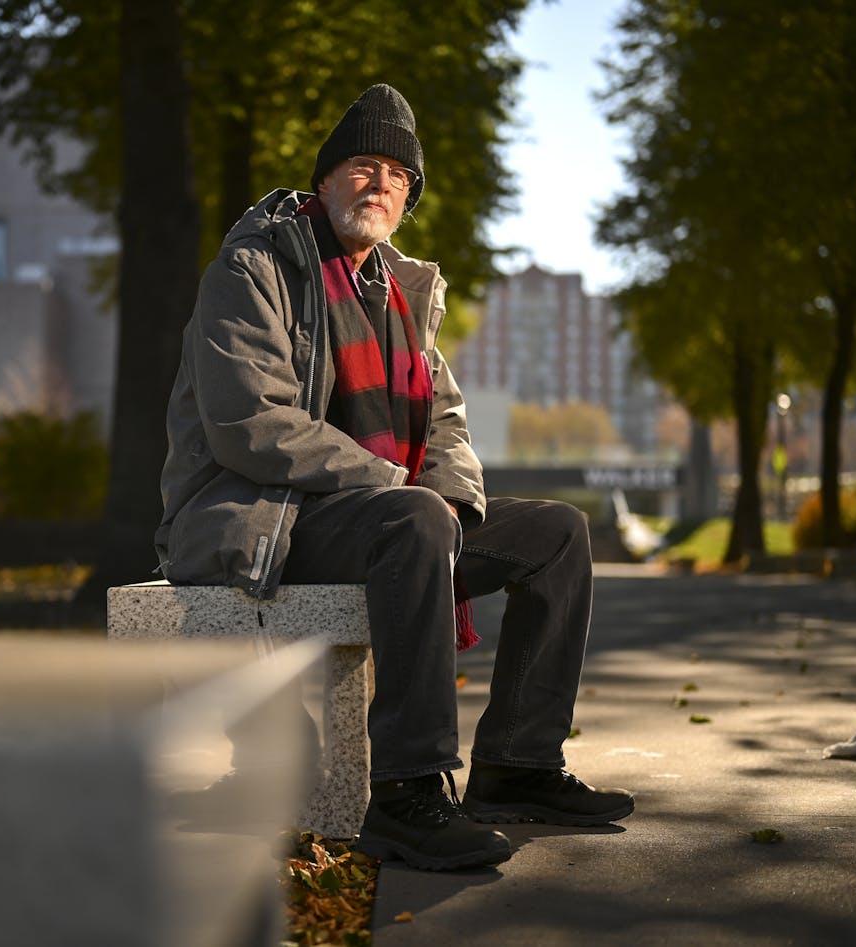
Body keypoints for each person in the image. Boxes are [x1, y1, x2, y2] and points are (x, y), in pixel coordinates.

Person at [155, 84, 633, 871]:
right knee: (414, 519)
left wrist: (450, 497)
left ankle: (518, 762)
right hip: (263, 518)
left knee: (555, 532)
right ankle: (408, 795)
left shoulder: (402, 294)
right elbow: (252, 425)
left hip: (387, 522)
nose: (379, 184)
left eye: (397, 176)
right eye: (362, 166)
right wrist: (397, 486)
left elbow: (445, 421)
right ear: (326, 179)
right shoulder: (253, 268)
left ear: (408, 199)